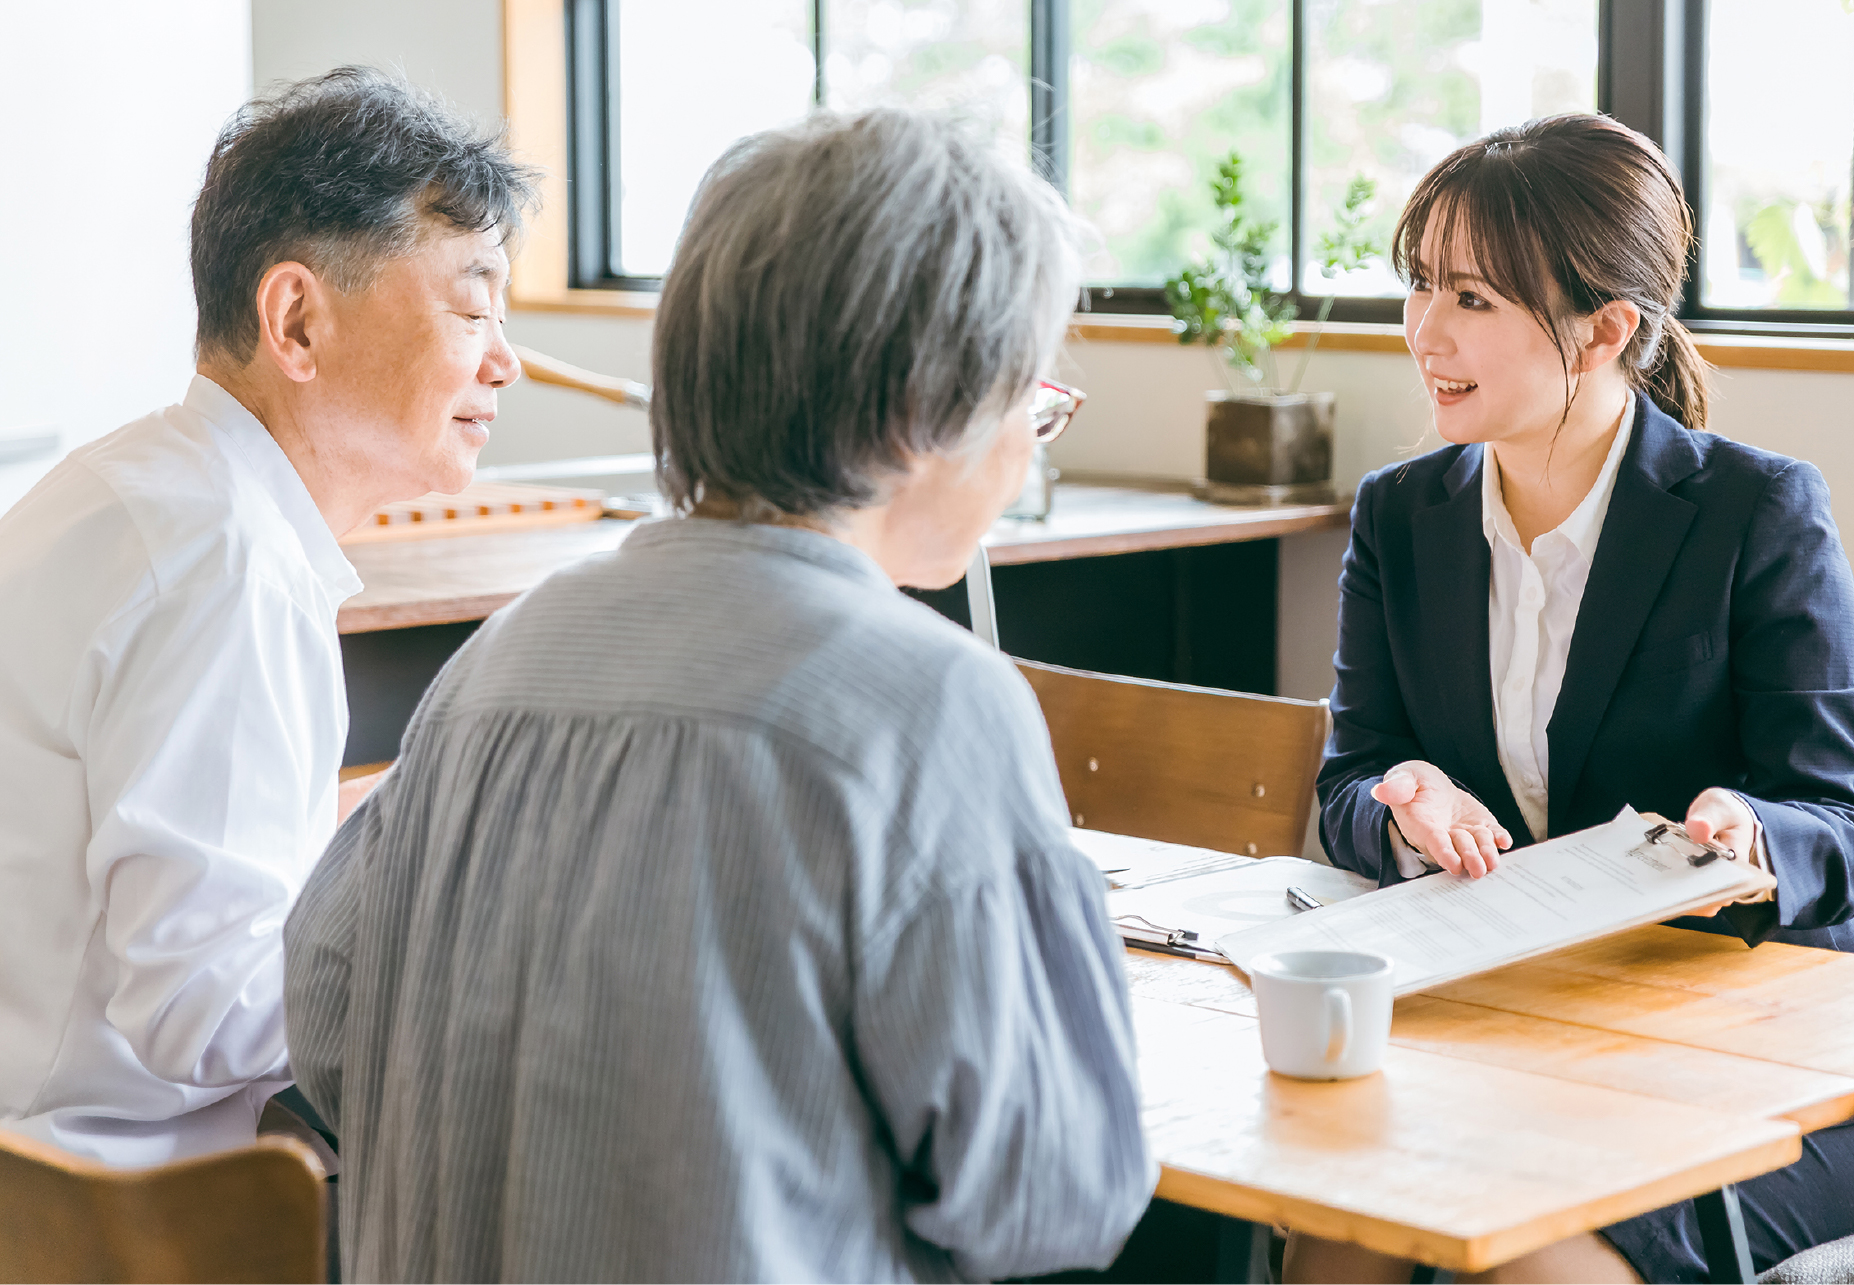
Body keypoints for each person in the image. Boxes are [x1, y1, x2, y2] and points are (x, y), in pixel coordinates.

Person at [282, 107, 1153, 1282]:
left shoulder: (499, 660)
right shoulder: (928, 700)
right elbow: (1052, 1195)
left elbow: (329, 1028)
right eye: (1029, 397)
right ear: (928, 404)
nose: (1028, 446)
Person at [1290, 114, 1854, 1284]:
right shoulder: (1399, 516)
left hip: (1772, 1049)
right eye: (1420, 284)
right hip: (1516, 1026)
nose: (1423, 329)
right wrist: (1397, 799)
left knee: (1525, 1259)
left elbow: (1841, 825)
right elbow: (1347, 783)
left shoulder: (1756, 512)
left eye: (1472, 298)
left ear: (1608, 326)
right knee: (1342, 1222)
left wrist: (1750, 831)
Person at [0, 67, 533, 1166]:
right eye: (472, 305)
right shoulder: (227, 566)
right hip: (112, 1208)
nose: (504, 361)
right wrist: (472, 945)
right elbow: (204, 1006)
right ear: (296, 318)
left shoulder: (137, 486)